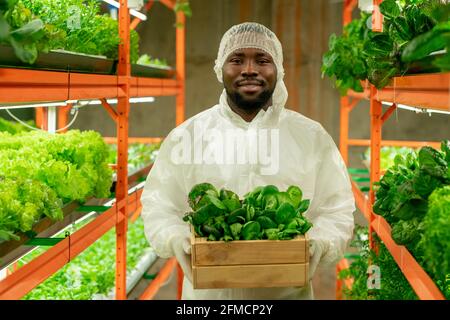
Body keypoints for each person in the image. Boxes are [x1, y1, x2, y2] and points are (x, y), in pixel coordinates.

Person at [141, 22, 355, 300]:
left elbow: (337, 209)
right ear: (220, 68)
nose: (250, 69)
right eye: (237, 59)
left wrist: (321, 243)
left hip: (287, 294)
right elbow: (159, 206)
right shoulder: (188, 136)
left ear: (278, 68)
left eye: (262, 60)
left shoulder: (311, 137)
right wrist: (174, 237)